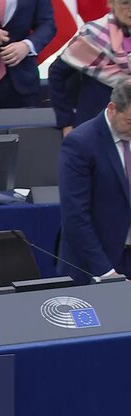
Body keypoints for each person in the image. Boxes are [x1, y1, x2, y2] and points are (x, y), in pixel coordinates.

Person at [58, 79, 131, 284]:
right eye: (130, 122)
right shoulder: (80, 143)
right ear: (112, 109)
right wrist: (106, 272)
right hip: (95, 264)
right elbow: (75, 215)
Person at [49, 0, 130, 137]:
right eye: (125, 2)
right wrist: (66, 123)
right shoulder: (92, 35)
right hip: (96, 128)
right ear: (111, 2)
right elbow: (56, 74)